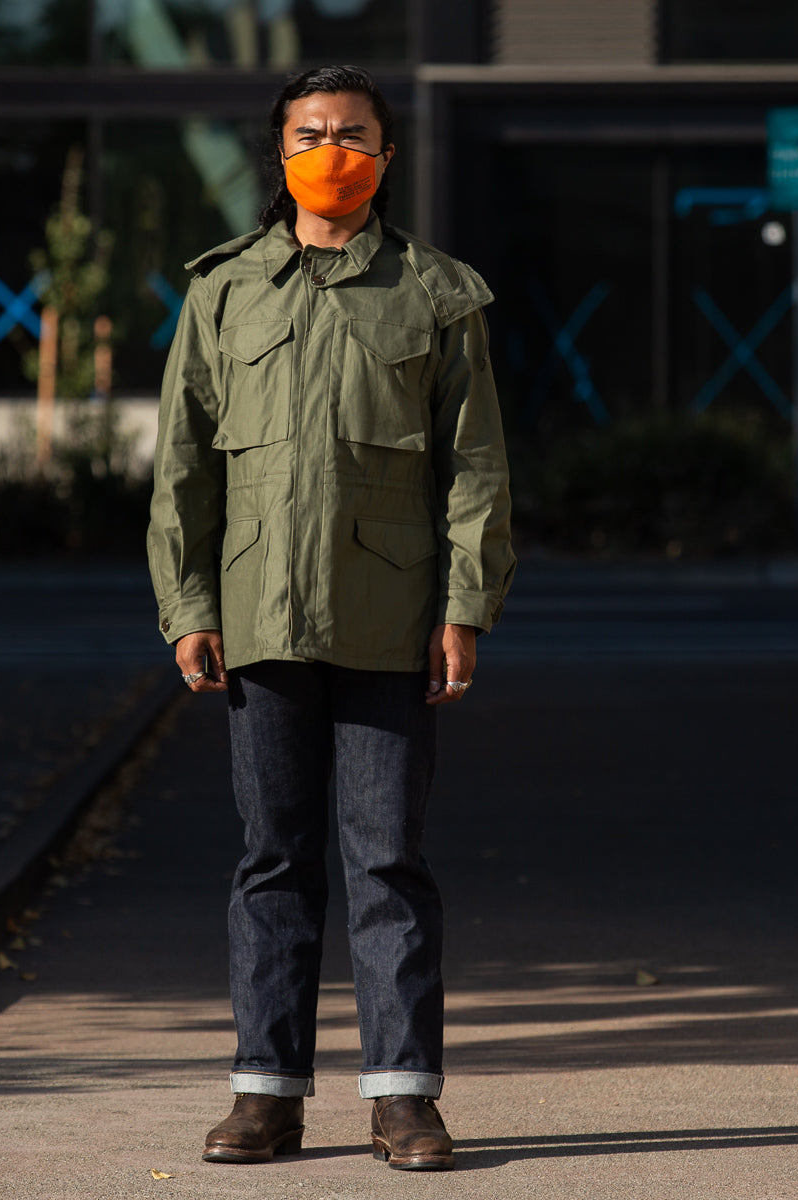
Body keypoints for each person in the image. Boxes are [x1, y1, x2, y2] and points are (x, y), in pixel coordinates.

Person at [147, 64, 514, 1172]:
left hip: (391, 617)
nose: (332, 152)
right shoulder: (223, 292)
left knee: (388, 860)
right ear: (280, 152)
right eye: (310, 134)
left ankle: (404, 1100)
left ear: (387, 157)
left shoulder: (437, 293)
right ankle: (265, 1096)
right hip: (259, 612)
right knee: (273, 858)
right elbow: (183, 469)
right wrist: (188, 604)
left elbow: (475, 467)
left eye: (354, 134)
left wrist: (464, 607)